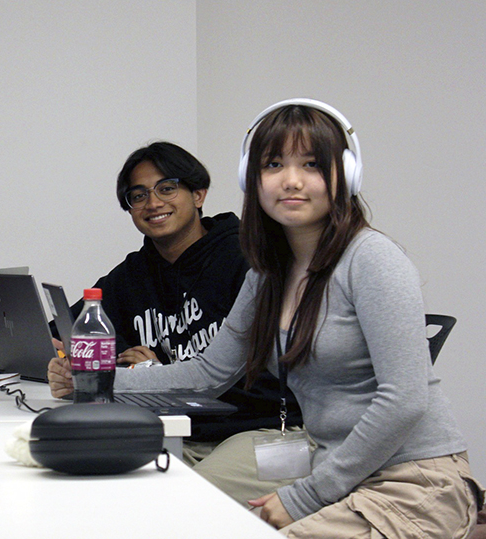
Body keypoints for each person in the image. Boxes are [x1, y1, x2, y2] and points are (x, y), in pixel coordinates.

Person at [50, 98, 484, 537]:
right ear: (252, 180)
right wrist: (96, 380)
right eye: (274, 164)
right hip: (334, 469)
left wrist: (305, 497)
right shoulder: (269, 273)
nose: (291, 180)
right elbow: (207, 374)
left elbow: (404, 400)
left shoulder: (371, 259)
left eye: (312, 164)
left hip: (408, 481)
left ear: (345, 176)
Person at [49, 141, 303, 503]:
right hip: (180, 431)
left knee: (181, 501)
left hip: (263, 430)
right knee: (99, 487)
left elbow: (262, 374)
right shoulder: (134, 274)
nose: (153, 203)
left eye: (167, 188)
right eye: (138, 195)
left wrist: (154, 370)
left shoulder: (248, 258)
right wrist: (65, 365)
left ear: (198, 194)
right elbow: (66, 335)